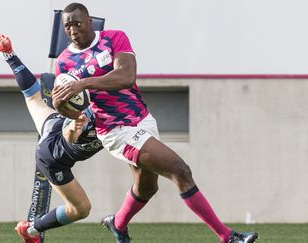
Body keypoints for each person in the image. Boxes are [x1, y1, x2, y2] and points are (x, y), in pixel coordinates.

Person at [51, 3, 259, 243]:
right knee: (180, 170)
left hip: (141, 119)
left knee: (147, 187)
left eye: (77, 23)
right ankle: (227, 237)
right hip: (114, 131)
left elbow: (127, 77)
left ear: (89, 22)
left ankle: (117, 223)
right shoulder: (64, 64)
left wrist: (83, 83)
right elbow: (71, 108)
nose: (73, 29)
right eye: (67, 26)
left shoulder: (114, 38)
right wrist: (60, 105)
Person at [0, 27, 103, 243]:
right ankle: (31, 230)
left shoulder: (108, 105)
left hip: (54, 123)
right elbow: (71, 135)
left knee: (33, 97)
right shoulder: (88, 120)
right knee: (81, 209)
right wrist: (75, 125)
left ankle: (8, 54)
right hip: (52, 157)